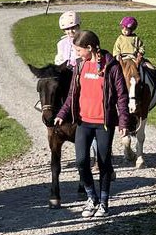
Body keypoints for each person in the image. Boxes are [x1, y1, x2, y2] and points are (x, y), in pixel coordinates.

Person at [53, 29, 129, 220]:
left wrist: (123, 122)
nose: (77, 54)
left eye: (79, 51)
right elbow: (72, 94)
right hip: (83, 123)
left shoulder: (111, 66)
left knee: (104, 163)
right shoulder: (80, 66)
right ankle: (91, 198)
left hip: (104, 124)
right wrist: (62, 113)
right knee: (81, 162)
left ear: (89, 47)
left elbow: (122, 96)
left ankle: (104, 203)